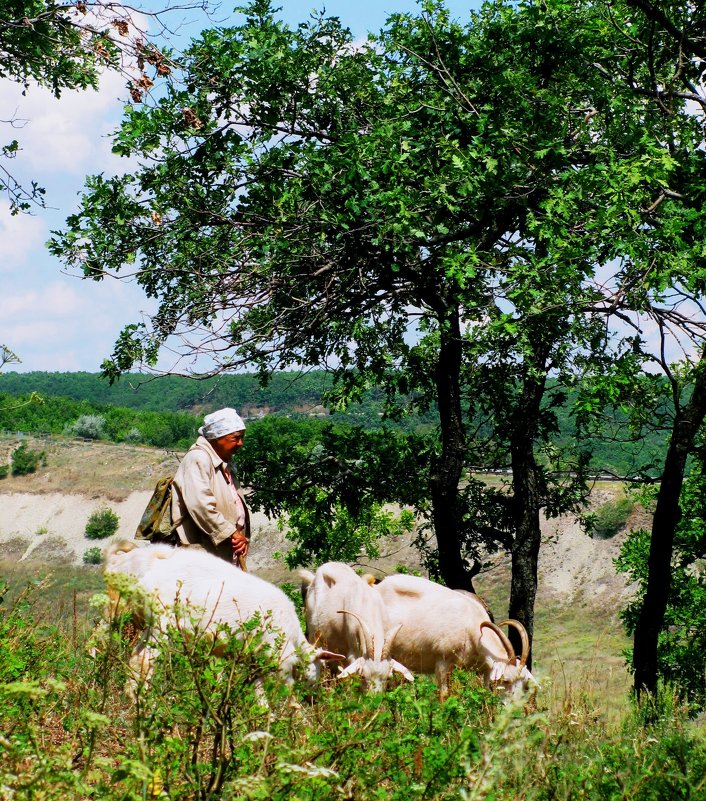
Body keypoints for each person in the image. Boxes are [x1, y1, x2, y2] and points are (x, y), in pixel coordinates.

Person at [171, 407, 250, 565]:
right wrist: (231, 533)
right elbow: (200, 505)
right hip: (202, 555)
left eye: (242, 438)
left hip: (224, 550)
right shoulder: (198, 459)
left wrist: (238, 535)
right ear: (217, 437)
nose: (241, 443)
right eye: (236, 438)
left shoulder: (224, 461)